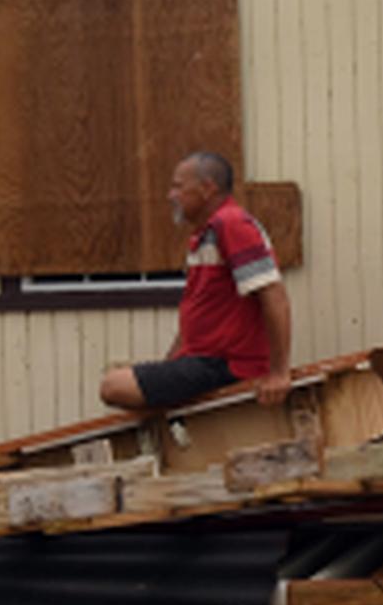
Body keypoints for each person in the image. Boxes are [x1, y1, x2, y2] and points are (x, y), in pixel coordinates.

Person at [97, 151, 293, 410]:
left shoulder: (233, 224)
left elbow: (275, 297)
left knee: (113, 386)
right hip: (203, 361)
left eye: (178, 187)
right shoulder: (205, 235)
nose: (171, 196)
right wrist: (169, 367)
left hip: (226, 364)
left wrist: (279, 373)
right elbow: (198, 313)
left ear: (207, 189)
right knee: (126, 381)